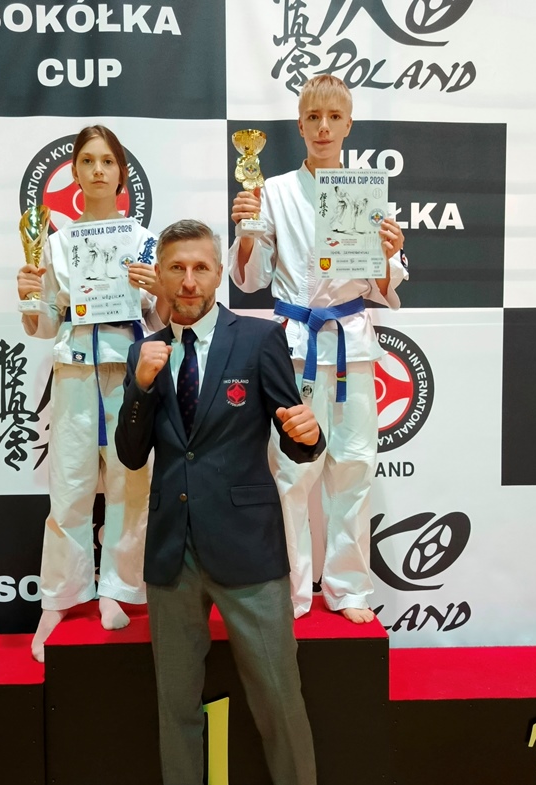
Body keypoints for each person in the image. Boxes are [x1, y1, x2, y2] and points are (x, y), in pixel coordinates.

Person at [115, 220, 339, 785]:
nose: (188, 281)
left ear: (219, 274)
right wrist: (141, 388)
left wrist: (310, 439)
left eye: (201, 268)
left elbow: (295, 437)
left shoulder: (258, 339)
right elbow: (130, 454)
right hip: (172, 553)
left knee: (280, 701)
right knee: (176, 705)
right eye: (177, 268)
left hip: (247, 548)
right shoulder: (146, 350)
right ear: (160, 276)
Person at [230, 75, 407, 625]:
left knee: (353, 466)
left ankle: (349, 588)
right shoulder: (274, 192)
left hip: (351, 345)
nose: (324, 127)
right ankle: (291, 588)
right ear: (300, 125)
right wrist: (248, 231)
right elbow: (251, 279)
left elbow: (382, 286)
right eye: (314, 117)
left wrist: (389, 252)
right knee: (291, 473)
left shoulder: (366, 193)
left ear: (349, 124)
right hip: (294, 346)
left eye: (334, 117)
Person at [17, 125, 167, 660]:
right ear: (75, 172)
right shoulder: (55, 243)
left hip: (130, 372)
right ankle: (58, 598)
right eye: (88, 161)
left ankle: (117, 590)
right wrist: (30, 297)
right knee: (69, 487)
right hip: (77, 372)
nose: (98, 170)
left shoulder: (145, 241)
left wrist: (157, 292)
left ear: (121, 172)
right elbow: (45, 324)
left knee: (131, 484)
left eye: (107, 161)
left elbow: (162, 323)